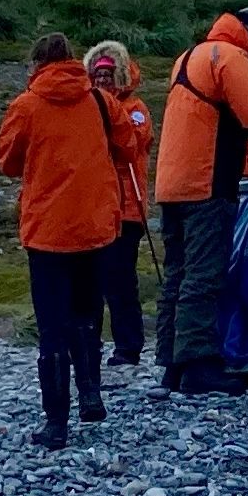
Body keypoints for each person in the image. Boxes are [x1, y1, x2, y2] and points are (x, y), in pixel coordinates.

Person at [0, 31, 136, 446]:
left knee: (53, 326)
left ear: (36, 64)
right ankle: (91, 393)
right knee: (88, 314)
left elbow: (7, 162)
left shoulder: (26, 105)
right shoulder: (101, 101)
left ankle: (56, 423)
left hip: (48, 232)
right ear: (73, 60)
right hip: (95, 227)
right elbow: (129, 148)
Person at [152, 9, 248, 393]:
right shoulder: (230, 56)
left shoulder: (190, 55)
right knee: (204, 274)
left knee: (177, 274)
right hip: (207, 182)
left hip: (171, 184)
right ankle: (199, 364)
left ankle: (172, 362)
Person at [86, 42, 152, 369]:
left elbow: (134, 143)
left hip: (126, 207)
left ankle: (128, 346)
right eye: (97, 75)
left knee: (120, 281)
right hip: (94, 207)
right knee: (91, 280)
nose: (102, 80)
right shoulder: (87, 110)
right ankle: (90, 344)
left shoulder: (135, 109)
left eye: (108, 74)